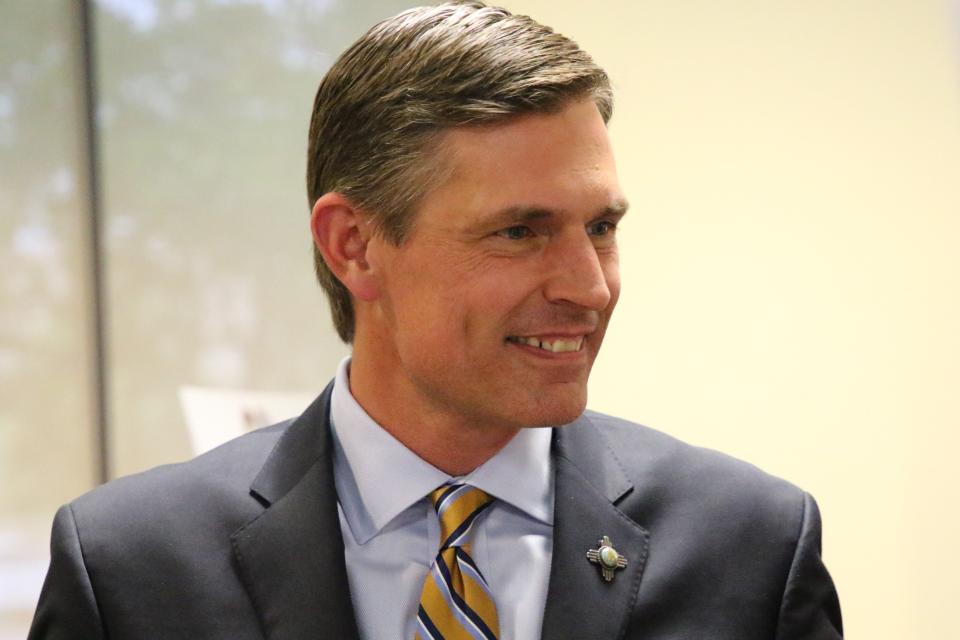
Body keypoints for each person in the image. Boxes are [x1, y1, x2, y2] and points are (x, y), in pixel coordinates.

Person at [29, 2, 843, 638]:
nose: (589, 287)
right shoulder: (130, 571)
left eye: (601, 227)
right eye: (519, 232)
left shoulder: (751, 549)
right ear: (355, 246)